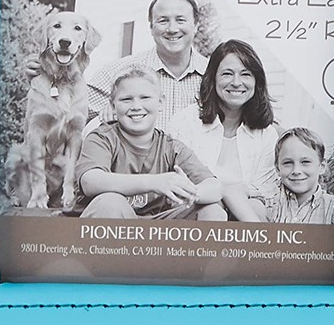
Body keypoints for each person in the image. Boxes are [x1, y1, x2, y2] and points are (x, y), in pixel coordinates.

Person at [76, 63, 226, 220]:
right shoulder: (102, 138)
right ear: (113, 106)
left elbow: (215, 187)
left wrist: (188, 192)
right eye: (126, 99)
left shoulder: (171, 148)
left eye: (145, 98)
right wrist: (156, 182)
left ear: (161, 102)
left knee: (212, 210)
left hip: (155, 227)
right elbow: (90, 182)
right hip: (107, 224)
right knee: (111, 202)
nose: (136, 106)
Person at [169, 40, 280, 222]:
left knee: (256, 207)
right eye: (227, 74)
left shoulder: (266, 134)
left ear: (257, 81)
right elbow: (181, 183)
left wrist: (230, 194)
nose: (236, 83)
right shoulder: (185, 123)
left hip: (246, 213)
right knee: (212, 210)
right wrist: (224, 192)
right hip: (198, 211)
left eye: (246, 74)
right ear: (212, 79)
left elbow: (265, 192)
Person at [85, 0, 209, 125]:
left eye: (180, 20)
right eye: (163, 21)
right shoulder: (116, 73)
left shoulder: (214, 76)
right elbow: (73, 115)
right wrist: (103, 119)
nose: (172, 29)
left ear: (195, 25)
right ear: (151, 27)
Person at [265, 127, 334, 225]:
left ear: (322, 166)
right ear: (278, 168)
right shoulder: (268, 203)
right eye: (288, 163)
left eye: (305, 162)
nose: (296, 171)